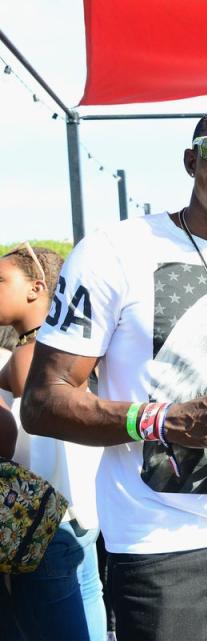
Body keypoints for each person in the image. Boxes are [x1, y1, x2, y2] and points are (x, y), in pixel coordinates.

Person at [22, 103, 207, 641]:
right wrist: (163, 420)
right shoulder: (115, 251)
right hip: (159, 551)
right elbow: (43, 402)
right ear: (190, 162)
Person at [0, 243, 107, 641]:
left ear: (36, 287)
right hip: (80, 514)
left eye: (1, 280)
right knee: (89, 598)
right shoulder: (71, 351)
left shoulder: (29, 355)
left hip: (42, 521)